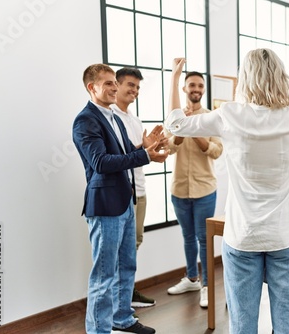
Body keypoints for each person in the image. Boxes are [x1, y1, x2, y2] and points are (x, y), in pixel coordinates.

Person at [165, 49, 289, 334]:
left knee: (242, 326)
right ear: (281, 76)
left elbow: (175, 124)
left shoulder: (229, 115)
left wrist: (175, 78)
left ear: (244, 79)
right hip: (285, 235)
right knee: (287, 327)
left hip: (242, 235)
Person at [73, 63, 169, 334]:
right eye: (108, 83)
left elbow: (127, 151)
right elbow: (101, 162)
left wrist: (145, 147)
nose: (115, 87)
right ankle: (98, 330)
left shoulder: (112, 116)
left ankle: (122, 319)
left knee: (127, 264)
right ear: (92, 88)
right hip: (105, 207)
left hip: (126, 202)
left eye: (115, 82)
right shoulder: (86, 120)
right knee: (104, 275)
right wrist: (146, 155)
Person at [165, 70, 223, 308]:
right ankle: (191, 278)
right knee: (187, 237)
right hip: (179, 189)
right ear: (184, 89)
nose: (196, 89)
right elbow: (169, 148)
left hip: (204, 190)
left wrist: (194, 129)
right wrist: (181, 127)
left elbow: (216, 151)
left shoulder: (211, 118)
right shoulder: (174, 118)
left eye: (200, 85)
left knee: (204, 239)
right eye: (191, 85)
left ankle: (207, 286)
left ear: (204, 90)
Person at [111, 67, 161, 309]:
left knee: (134, 244)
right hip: (121, 193)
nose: (134, 90)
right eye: (130, 85)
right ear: (116, 85)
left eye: (138, 87)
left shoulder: (134, 118)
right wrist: (144, 150)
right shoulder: (109, 117)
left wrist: (148, 147)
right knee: (120, 249)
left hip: (139, 190)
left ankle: (127, 292)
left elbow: (134, 153)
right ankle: (119, 299)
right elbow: (117, 157)